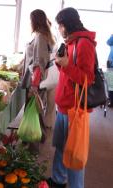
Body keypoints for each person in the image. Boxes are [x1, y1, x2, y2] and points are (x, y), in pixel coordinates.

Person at [47, 7, 96, 188]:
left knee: (74, 152)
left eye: (60, 25)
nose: (59, 29)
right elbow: (68, 74)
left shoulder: (84, 43)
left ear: (66, 24)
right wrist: (61, 64)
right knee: (61, 147)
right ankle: (58, 180)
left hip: (74, 109)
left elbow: (87, 79)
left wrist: (66, 65)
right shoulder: (71, 42)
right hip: (64, 106)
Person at [22, 9, 56, 133]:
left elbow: (39, 63)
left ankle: (32, 140)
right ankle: (35, 136)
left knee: (34, 110)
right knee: (38, 108)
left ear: (34, 21)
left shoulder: (40, 37)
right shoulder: (45, 35)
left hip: (36, 80)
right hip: (41, 78)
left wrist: (34, 85)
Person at [106, 34, 113, 107]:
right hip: (111, 63)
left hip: (111, 63)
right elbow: (108, 42)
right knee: (110, 84)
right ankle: (111, 101)